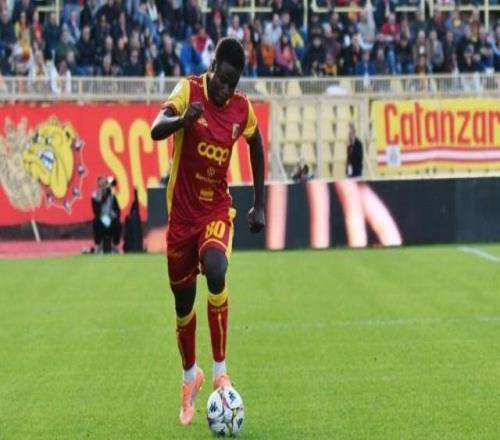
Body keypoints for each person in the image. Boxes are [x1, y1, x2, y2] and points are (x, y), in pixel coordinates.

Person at [150, 37, 265, 426]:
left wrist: (259, 203)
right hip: (181, 219)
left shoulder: (241, 109)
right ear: (212, 67)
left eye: (233, 83)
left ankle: (220, 372)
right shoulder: (188, 90)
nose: (225, 89)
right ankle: (190, 377)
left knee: (216, 268)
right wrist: (182, 120)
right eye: (222, 79)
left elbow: (256, 143)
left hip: (215, 210)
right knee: (183, 307)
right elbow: (156, 128)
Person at [91, 176, 122, 253]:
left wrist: (114, 215)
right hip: (101, 217)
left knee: (118, 223)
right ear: (98, 186)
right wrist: (100, 198)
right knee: (96, 222)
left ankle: (115, 244)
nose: (102, 186)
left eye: (104, 184)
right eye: (100, 184)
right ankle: (99, 244)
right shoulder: (95, 195)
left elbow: (117, 209)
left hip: (110, 217)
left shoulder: (112, 195)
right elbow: (96, 211)